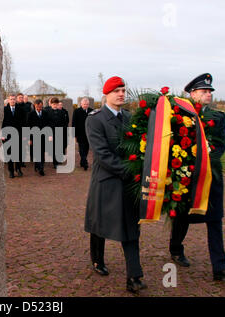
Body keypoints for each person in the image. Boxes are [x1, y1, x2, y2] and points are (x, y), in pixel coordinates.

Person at [169, 73, 225, 281]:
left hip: (211, 176)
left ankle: (220, 267)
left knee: (215, 220)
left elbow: (221, 142)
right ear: (192, 94)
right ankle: (175, 249)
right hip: (187, 177)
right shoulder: (179, 114)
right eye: (204, 91)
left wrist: (207, 159)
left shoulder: (218, 116)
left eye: (210, 91)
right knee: (182, 218)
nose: (208, 94)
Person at [85, 76, 146, 293]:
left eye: (123, 90)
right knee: (99, 224)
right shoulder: (95, 119)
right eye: (116, 91)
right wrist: (129, 171)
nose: (121, 94)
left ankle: (134, 276)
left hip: (128, 183)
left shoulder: (129, 117)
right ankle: (97, 259)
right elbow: (102, 154)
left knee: (131, 227)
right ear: (106, 95)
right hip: (107, 182)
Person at [1, 94, 24, 178]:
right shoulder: (4, 110)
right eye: (11, 99)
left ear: (16, 100)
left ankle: (18, 169)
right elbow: (2, 123)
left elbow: (23, 123)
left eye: (14, 99)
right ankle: (11, 171)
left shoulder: (20, 110)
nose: (12, 101)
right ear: (8, 100)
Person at [27, 99, 50, 176]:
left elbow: (48, 124)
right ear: (34, 105)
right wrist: (29, 139)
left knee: (42, 153)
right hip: (34, 136)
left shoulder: (46, 113)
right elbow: (28, 127)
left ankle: (40, 166)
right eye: (37, 107)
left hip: (43, 136)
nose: (39, 108)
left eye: (40, 106)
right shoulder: (30, 114)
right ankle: (40, 167)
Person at [72, 98, 93, 170]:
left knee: (86, 148)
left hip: (88, 133)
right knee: (81, 148)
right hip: (80, 133)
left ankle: (82, 161)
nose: (85, 106)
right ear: (81, 104)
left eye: (87, 104)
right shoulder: (76, 111)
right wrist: (74, 134)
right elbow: (74, 123)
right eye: (84, 104)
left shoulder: (91, 111)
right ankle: (85, 162)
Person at [48, 97, 67, 168]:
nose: (55, 105)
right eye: (53, 104)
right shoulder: (48, 112)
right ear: (51, 104)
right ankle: (55, 163)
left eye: (56, 104)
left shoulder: (61, 112)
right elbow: (47, 123)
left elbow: (64, 123)